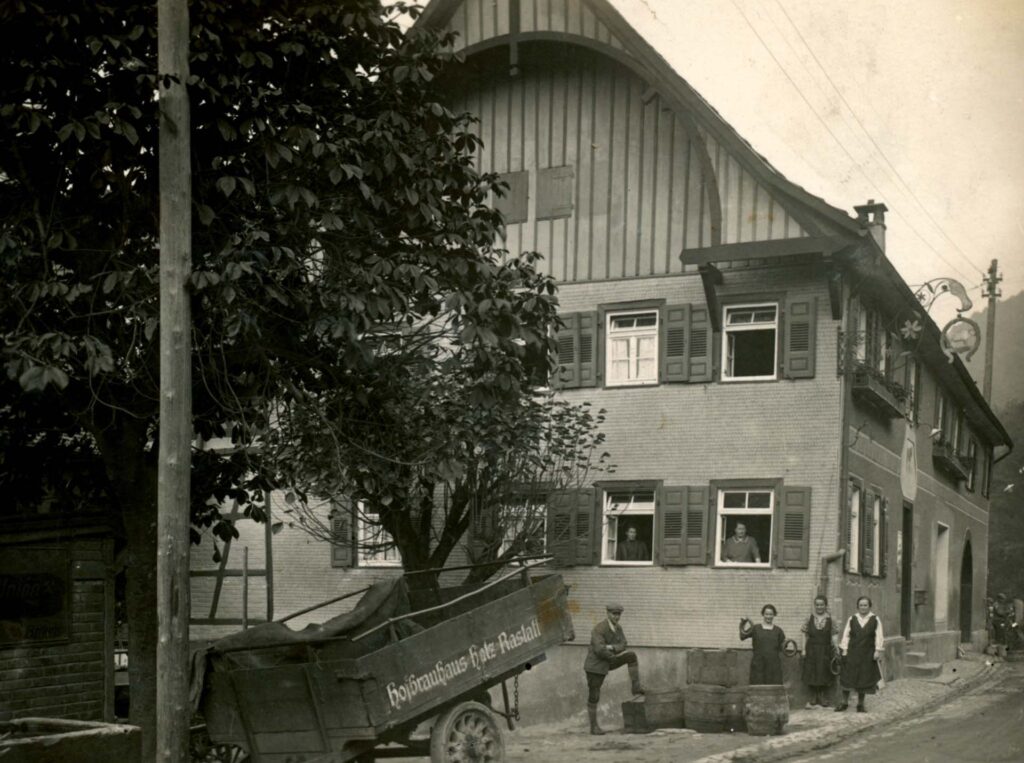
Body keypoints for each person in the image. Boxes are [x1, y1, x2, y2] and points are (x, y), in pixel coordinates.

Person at [583, 603, 644, 735]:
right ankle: (594, 727)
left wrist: (611, 648)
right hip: (595, 666)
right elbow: (599, 650)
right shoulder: (599, 629)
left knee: (631, 656)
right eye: (614, 614)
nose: (616, 617)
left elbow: (624, 644)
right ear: (608, 613)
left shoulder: (618, 628)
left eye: (618, 614)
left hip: (609, 660)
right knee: (594, 695)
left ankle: (636, 687)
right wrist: (611, 653)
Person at [836, 596, 884, 712]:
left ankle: (860, 704)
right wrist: (844, 650)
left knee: (864, 678)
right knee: (847, 677)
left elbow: (879, 635)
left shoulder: (875, 619)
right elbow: (846, 635)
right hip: (852, 652)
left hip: (867, 653)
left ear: (869, 606)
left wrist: (877, 650)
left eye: (865, 605)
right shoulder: (852, 619)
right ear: (858, 606)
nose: (863, 607)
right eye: (861, 605)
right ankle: (844, 702)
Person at [801, 594, 839, 707]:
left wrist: (836, 648)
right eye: (817, 605)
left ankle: (822, 696)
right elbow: (804, 634)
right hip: (811, 648)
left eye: (822, 604)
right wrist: (803, 649)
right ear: (814, 606)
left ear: (825, 605)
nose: (819, 607)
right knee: (812, 671)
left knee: (823, 671)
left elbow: (834, 635)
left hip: (825, 649)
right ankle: (813, 696)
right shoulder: (809, 617)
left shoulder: (831, 619)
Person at [740, 604, 785, 684]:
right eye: (766, 614)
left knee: (773, 689)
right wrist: (742, 624)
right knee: (757, 688)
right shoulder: (756, 628)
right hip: (758, 665)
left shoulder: (778, 631)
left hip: (773, 666)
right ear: (763, 614)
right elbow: (742, 636)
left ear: (774, 615)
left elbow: (782, 647)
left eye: (771, 614)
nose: (768, 616)